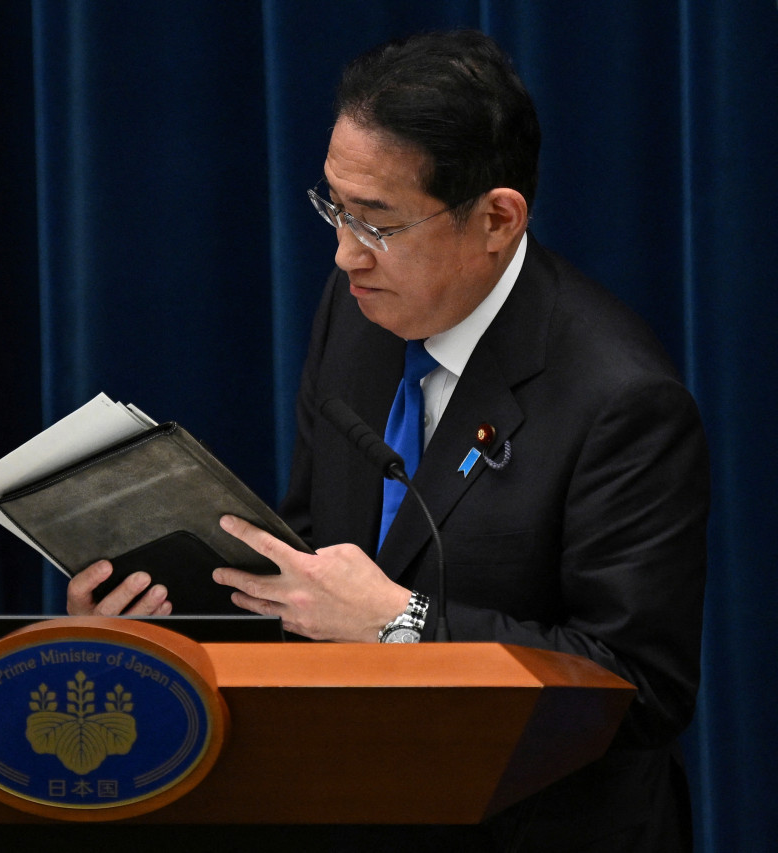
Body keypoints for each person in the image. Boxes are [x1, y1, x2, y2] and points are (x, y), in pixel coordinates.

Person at [67, 29, 708, 852]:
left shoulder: (622, 399)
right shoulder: (358, 314)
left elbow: (638, 686)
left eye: (377, 223)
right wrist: (158, 623)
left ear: (496, 219)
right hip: (356, 803)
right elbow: (309, 570)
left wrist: (402, 622)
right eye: (334, 208)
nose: (343, 254)